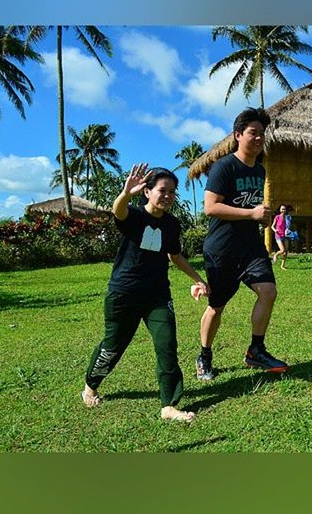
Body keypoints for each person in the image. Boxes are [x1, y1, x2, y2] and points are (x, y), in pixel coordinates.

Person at [81, 164, 209, 422]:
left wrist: (199, 278)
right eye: (163, 190)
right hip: (124, 294)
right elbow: (118, 212)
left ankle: (169, 405)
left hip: (157, 296)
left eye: (173, 192)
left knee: (167, 345)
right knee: (113, 346)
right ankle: (90, 385)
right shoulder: (135, 217)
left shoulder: (172, 224)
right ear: (147, 192)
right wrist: (125, 193)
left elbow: (175, 255)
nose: (168, 196)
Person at [195, 107, 288, 382]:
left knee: (268, 291)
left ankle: (256, 350)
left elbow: (248, 207)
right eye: (253, 133)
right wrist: (251, 213)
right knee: (216, 306)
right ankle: (205, 354)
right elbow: (210, 208)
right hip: (222, 249)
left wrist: (261, 216)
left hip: (250, 247)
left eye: (262, 133)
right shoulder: (224, 167)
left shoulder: (260, 170)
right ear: (238, 135)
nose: (259, 138)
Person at [271, 203, 290, 270]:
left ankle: (282, 266)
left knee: (286, 251)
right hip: (278, 235)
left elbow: (288, 226)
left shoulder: (287, 217)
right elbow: (272, 226)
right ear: (280, 210)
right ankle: (275, 255)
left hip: (285, 235)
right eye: (282, 209)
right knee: (282, 250)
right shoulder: (277, 217)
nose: (283, 210)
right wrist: (275, 230)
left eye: (284, 209)